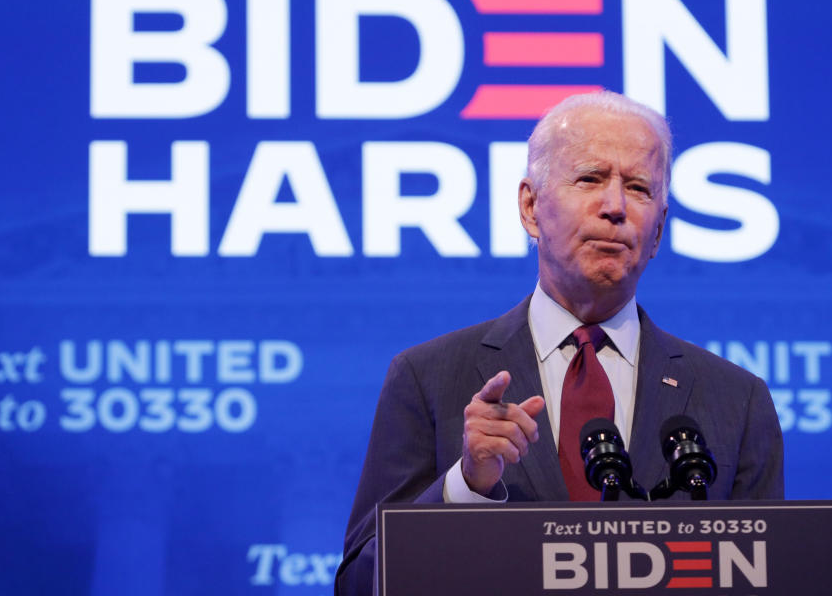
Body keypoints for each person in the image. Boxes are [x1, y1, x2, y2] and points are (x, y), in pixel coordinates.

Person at [334, 90, 784, 595]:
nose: (614, 207)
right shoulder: (428, 378)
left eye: (638, 188)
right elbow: (359, 583)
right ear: (530, 207)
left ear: (658, 231)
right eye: (590, 178)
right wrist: (466, 486)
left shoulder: (735, 401)